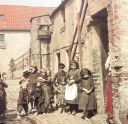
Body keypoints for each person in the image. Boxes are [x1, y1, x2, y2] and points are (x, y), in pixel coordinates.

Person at [105, 55, 114, 124]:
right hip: (111, 76)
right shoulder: (110, 56)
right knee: (110, 95)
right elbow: (106, 66)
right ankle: (110, 115)